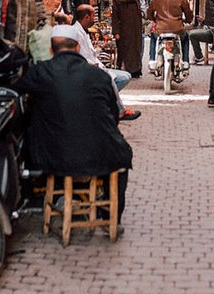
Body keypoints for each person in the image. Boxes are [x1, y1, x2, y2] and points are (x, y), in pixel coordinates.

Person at [15, 24, 133, 223]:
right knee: (121, 157)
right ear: (78, 48)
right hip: (100, 155)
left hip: (52, 157)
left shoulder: (40, 73)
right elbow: (113, 116)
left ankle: (62, 196)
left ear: (52, 50)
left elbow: (18, 91)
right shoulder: (100, 76)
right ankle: (110, 216)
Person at [72, 5, 141, 121]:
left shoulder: (83, 31)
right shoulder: (76, 33)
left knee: (125, 76)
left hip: (95, 66)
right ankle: (118, 110)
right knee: (111, 80)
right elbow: (81, 55)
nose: (94, 18)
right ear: (87, 17)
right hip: (87, 68)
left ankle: (105, 104)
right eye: (93, 16)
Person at [146, 0, 193, 73]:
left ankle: (152, 60)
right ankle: (185, 61)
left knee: (153, 38)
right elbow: (188, 12)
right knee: (185, 38)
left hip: (160, 29)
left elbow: (149, 12)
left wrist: (154, 19)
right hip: (177, 29)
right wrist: (188, 20)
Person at [111, 0, 144, 78]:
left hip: (135, 27)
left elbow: (138, 11)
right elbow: (115, 16)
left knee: (136, 48)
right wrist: (116, 31)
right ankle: (127, 70)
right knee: (124, 48)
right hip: (123, 28)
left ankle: (136, 70)